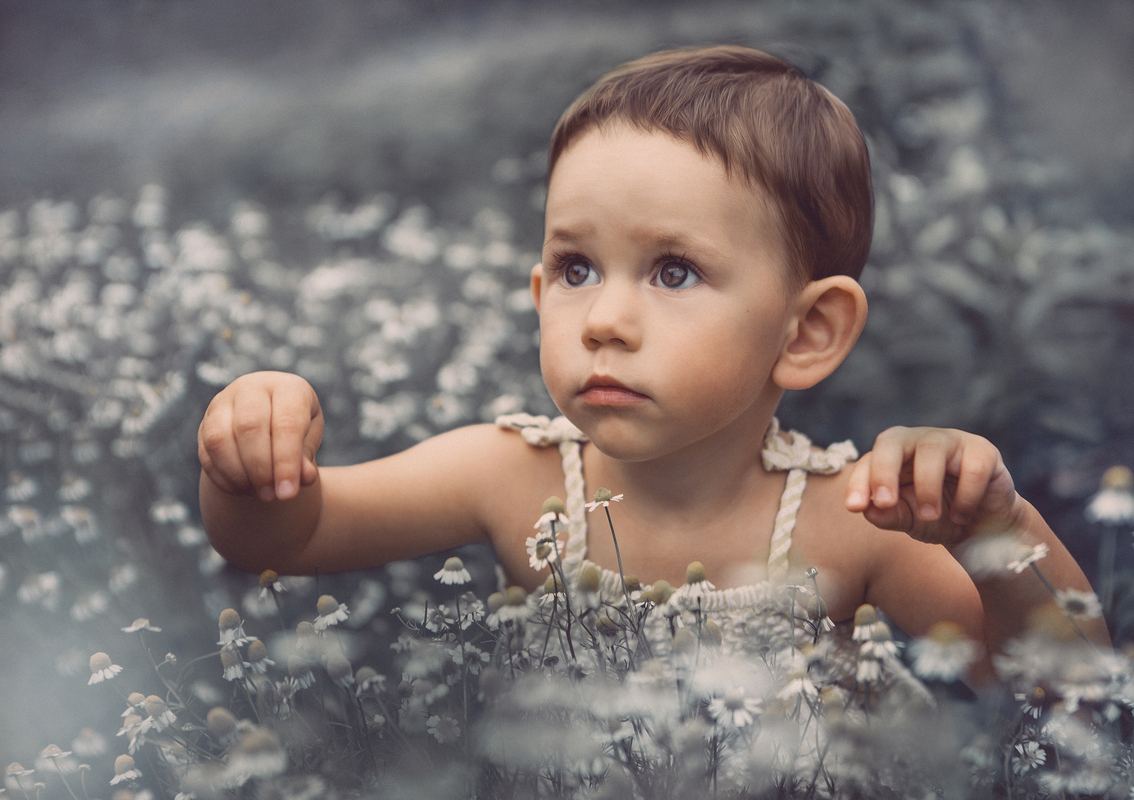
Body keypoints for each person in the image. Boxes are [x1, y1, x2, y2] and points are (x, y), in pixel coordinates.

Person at [198, 45, 1107, 679]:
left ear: (807, 333)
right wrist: (252, 452)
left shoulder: (851, 521)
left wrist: (993, 528)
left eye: (674, 271)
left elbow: (1057, 683)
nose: (605, 319)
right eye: (575, 268)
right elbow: (281, 541)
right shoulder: (507, 475)